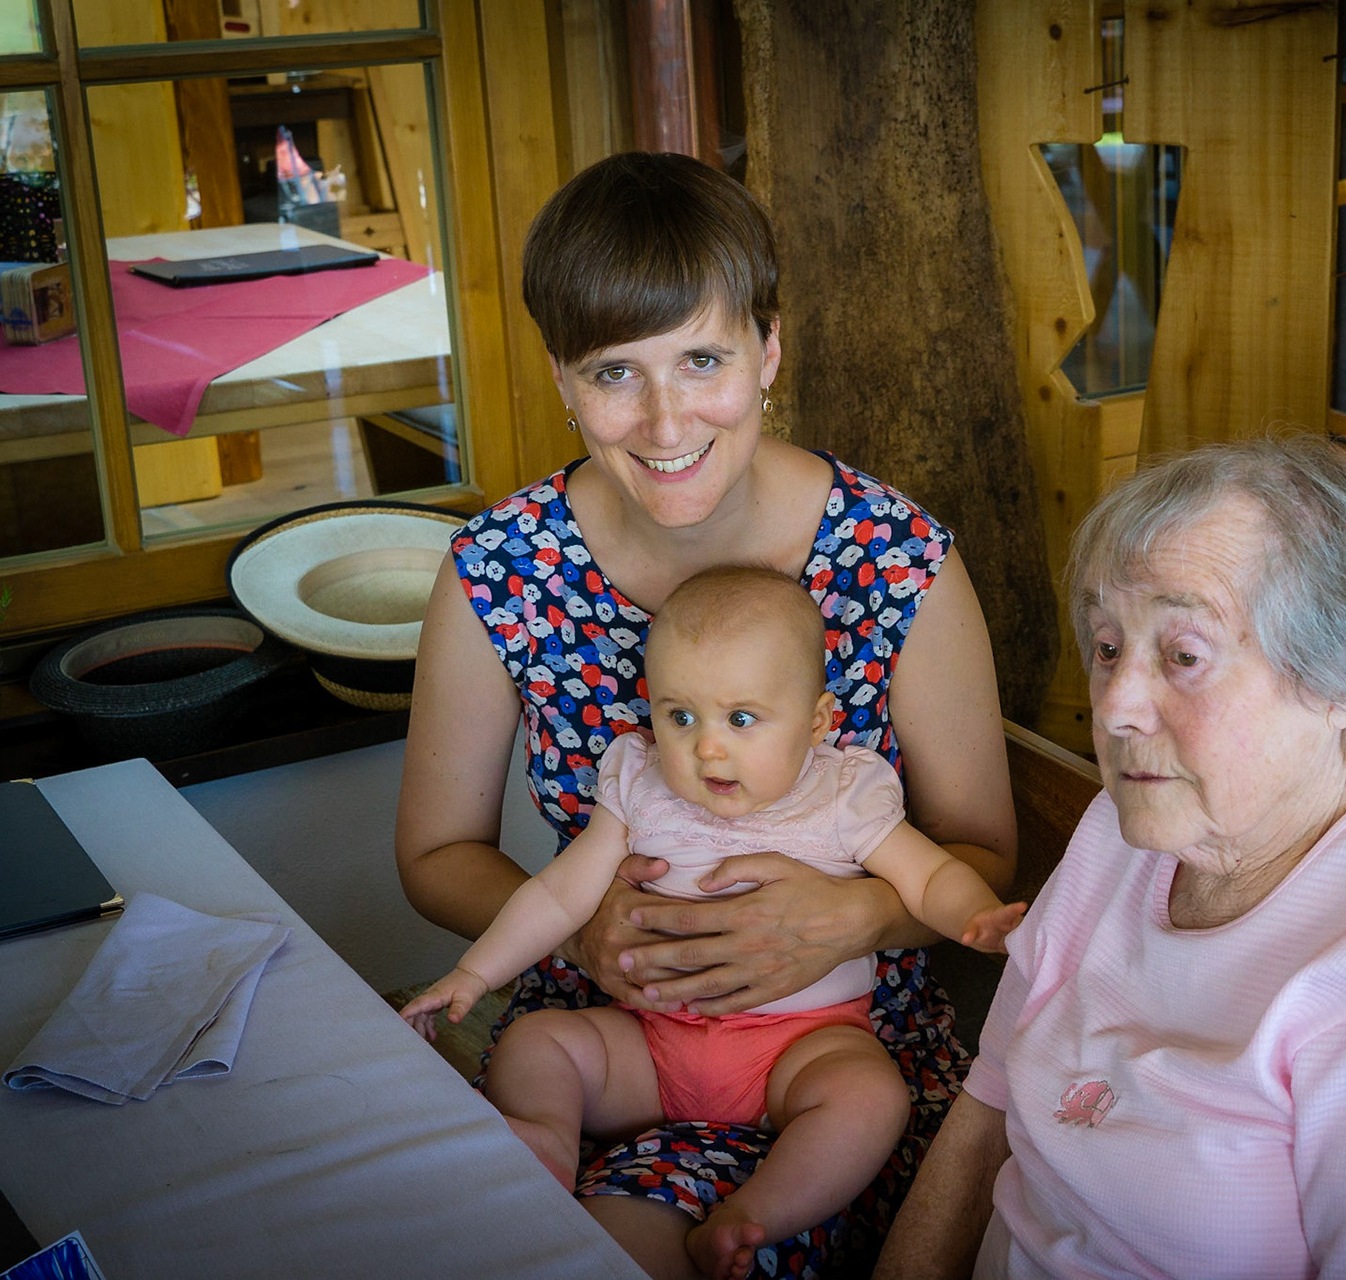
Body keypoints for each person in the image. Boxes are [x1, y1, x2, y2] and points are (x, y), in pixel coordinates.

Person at [394, 152, 1018, 1280]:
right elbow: (437, 856)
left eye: (702, 358)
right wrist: (586, 932)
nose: (665, 417)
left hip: (842, 1052)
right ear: (562, 377)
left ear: (768, 349)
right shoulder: (499, 567)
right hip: (619, 1037)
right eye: (614, 372)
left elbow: (980, 854)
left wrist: (852, 919)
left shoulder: (898, 555)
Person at [876, 434, 1346, 1280]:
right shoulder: (1129, 825)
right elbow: (987, 1110)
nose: (1114, 706)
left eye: (1184, 655)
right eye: (1108, 646)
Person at [402, 566, 1024, 1280]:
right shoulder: (641, 786)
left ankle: (752, 1216)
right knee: (540, 1041)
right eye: (680, 716)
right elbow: (557, 897)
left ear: (816, 721)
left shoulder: (843, 794)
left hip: (799, 1049)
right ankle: (547, 1139)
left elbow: (929, 876)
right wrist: (474, 973)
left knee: (870, 1099)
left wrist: (975, 915)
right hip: (653, 1040)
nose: (707, 749)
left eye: (742, 719)